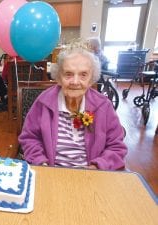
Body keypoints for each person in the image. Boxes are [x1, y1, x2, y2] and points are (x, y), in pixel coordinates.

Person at [18, 41, 127, 170]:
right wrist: (41, 163)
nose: (75, 82)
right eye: (68, 74)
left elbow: (116, 147)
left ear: (92, 78)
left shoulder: (103, 106)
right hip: (51, 172)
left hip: (93, 175)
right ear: (58, 77)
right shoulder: (43, 102)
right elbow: (29, 138)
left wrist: (97, 166)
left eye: (83, 75)